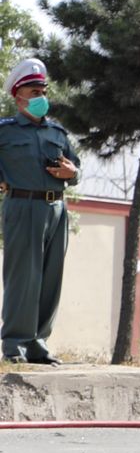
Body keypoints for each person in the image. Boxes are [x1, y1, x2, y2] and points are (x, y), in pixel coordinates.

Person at [0, 58, 79, 365]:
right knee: (23, 276)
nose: (40, 98)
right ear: (18, 96)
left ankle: (38, 343)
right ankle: (15, 342)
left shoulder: (57, 132)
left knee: (50, 277)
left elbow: (76, 169)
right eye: (34, 92)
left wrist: (71, 174)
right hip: (23, 206)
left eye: (43, 91)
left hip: (57, 208)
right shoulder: (5, 131)